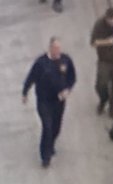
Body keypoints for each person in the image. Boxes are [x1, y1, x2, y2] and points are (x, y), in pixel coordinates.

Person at [22, 37, 77, 168]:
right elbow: (31, 77)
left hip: (59, 101)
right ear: (50, 48)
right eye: (55, 48)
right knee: (47, 127)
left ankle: (51, 143)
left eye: (59, 48)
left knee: (56, 127)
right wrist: (25, 92)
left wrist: (68, 90)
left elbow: (72, 77)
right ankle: (45, 156)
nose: (58, 51)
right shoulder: (41, 63)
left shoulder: (65, 60)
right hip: (44, 101)